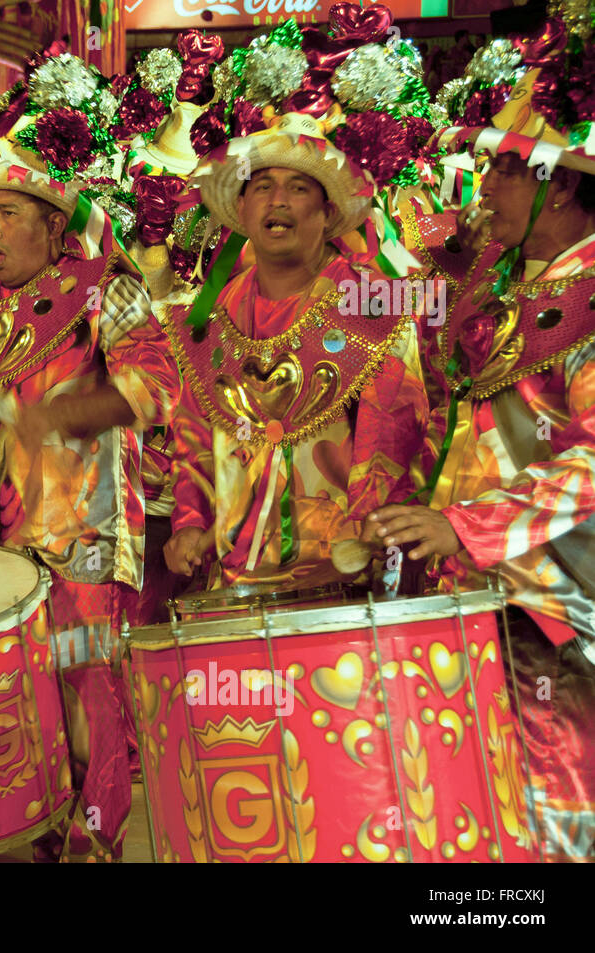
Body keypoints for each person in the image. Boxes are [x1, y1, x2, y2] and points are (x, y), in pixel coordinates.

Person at [0, 52, 180, 860]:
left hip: (88, 526)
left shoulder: (112, 288)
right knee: (20, 683)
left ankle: (97, 836)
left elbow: (158, 386)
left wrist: (60, 415)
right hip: (1, 533)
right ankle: (37, 826)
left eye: (8, 212)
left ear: (54, 222)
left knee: (89, 679)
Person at [368, 63, 595, 863]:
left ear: (558, 187)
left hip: (552, 608)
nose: (481, 185)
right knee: (467, 803)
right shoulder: (495, 284)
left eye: (501, 168)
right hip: (467, 593)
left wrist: (463, 525)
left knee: (553, 814)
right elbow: (445, 404)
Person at [159, 110, 431, 593]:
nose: (277, 200)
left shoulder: (372, 307)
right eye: (261, 186)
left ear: (327, 214)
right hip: (235, 577)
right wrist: (189, 521)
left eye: (298, 187)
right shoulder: (210, 313)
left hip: (345, 577)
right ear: (242, 210)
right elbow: (194, 433)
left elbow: (394, 438)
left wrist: (366, 542)